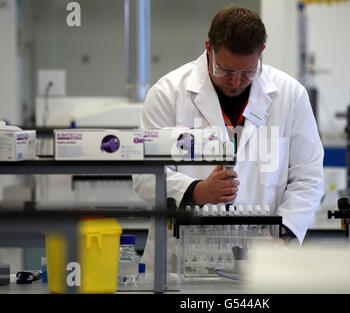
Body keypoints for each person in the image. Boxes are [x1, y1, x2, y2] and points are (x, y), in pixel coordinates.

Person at [133, 6, 324, 267]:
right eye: (226, 71)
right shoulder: (168, 93)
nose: (235, 82)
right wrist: (197, 192)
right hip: (182, 261)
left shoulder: (290, 95)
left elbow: (308, 177)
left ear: (261, 53)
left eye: (246, 72)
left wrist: (285, 235)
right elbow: (145, 175)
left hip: (264, 258)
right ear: (208, 48)